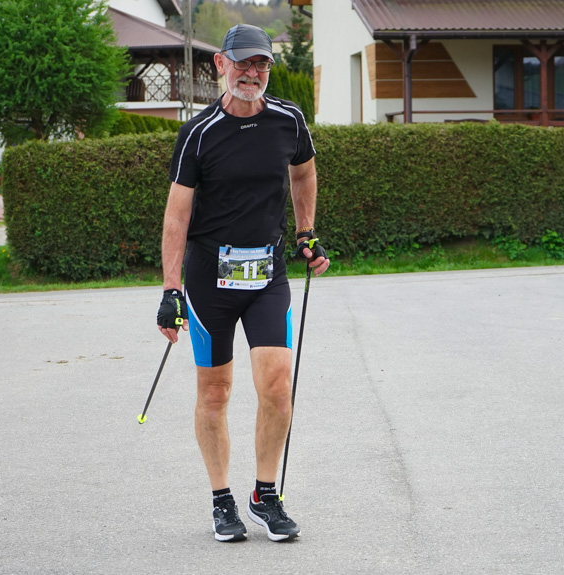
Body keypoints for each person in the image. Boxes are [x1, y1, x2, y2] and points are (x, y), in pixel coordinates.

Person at [155, 23, 329, 543]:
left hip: (267, 272)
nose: (252, 73)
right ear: (220, 66)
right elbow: (175, 218)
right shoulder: (199, 133)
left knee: (277, 387)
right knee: (215, 392)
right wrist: (170, 290)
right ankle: (221, 499)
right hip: (209, 278)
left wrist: (306, 233)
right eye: (243, 63)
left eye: (261, 64)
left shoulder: (289, 121)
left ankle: (265, 494)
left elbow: (304, 174)